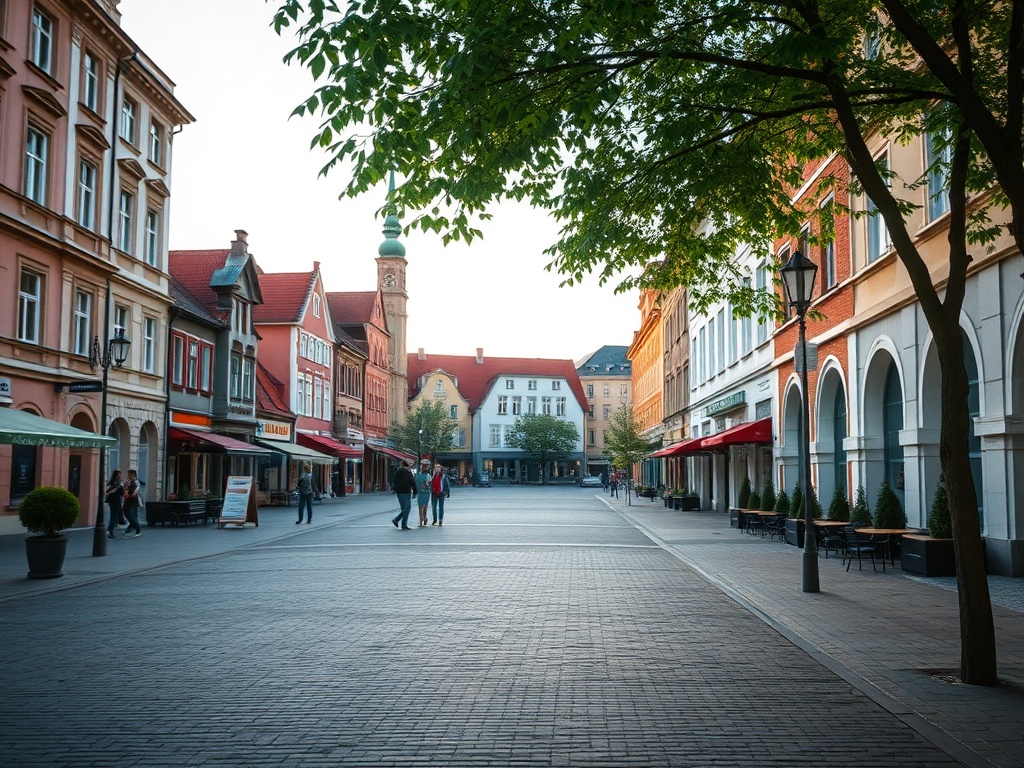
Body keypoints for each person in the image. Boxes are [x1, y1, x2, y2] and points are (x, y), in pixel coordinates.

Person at [391, 459, 416, 529]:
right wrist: (415, 491)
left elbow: (394, 482)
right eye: (411, 463)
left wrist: (395, 490)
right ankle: (397, 520)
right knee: (407, 507)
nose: (412, 465)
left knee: (405, 508)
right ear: (407, 464)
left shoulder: (401, 472)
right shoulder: (405, 472)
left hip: (403, 492)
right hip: (404, 492)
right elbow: (412, 482)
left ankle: (403, 524)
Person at [122, 468, 143, 537]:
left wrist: (128, 494)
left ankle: (136, 529)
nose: (127, 475)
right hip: (129, 500)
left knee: (132, 515)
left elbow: (135, 491)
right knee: (132, 515)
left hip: (132, 501)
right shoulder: (128, 482)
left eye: (128, 474)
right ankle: (132, 528)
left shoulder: (135, 482)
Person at [105, 469, 124, 540]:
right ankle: (110, 530)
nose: (119, 477)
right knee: (114, 516)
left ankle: (111, 530)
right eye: (118, 476)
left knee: (115, 515)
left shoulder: (114, 484)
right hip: (115, 501)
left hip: (115, 501)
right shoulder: (115, 484)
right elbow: (108, 492)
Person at [415, 459, 432, 527]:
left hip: (420, 493)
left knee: (420, 507)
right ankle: (424, 517)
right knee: (425, 506)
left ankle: (421, 521)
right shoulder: (428, 476)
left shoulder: (418, 476)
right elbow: (430, 485)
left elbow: (415, 484)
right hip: (426, 493)